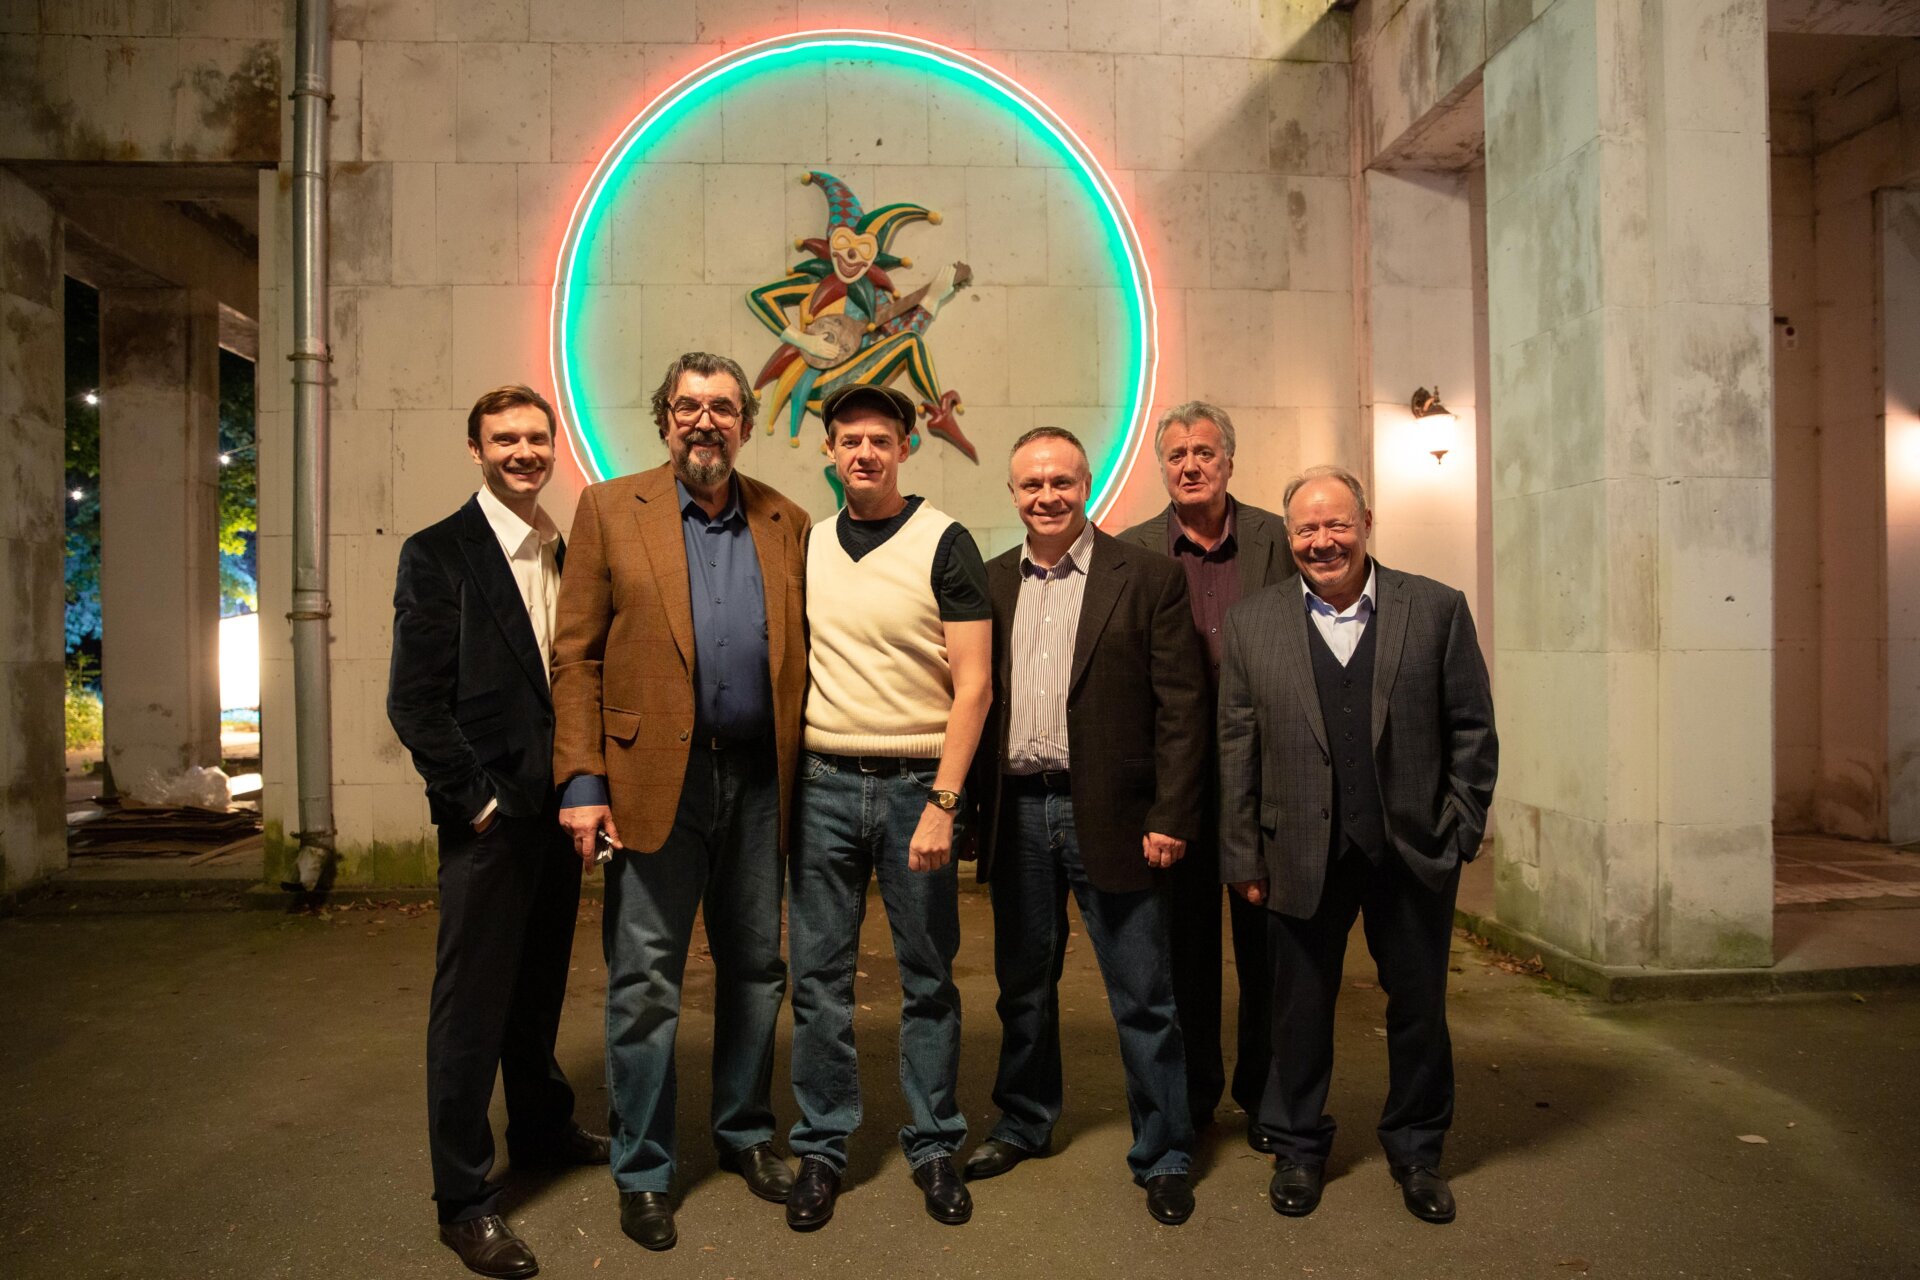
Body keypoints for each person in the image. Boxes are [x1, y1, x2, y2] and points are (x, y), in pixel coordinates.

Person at [550, 352, 811, 1252]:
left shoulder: (786, 519)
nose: (706, 421)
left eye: (724, 408)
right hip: (650, 782)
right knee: (645, 982)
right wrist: (583, 782)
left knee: (755, 969)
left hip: (759, 780)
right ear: (664, 418)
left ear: (747, 423)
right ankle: (645, 1169)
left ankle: (744, 1133)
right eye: (689, 406)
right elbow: (576, 656)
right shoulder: (607, 509)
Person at [1218, 464, 1497, 1225]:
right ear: (1289, 536)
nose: (1322, 541)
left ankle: (1417, 1149)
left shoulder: (1435, 609)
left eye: (1337, 524)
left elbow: (1472, 728)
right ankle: (1297, 1147)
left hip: (1412, 852)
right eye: (1306, 528)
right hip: (1296, 853)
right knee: (1297, 1011)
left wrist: (1461, 827)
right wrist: (1241, 854)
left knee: (1419, 1008)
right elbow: (1236, 746)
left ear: (1366, 523)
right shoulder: (1253, 623)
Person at [388, 384, 609, 1280]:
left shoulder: (561, 546)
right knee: (470, 1013)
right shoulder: (438, 552)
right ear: (476, 450)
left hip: (558, 812)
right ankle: (464, 1199)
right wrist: (474, 803)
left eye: (535, 437)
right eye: (504, 438)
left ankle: (543, 1128)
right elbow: (414, 701)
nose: (523, 451)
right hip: (490, 822)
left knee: (537, 990)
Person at [964, 426, 1209, 1226]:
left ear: (1087, 484)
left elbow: (1182, 707)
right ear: (1013, 493)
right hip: (1018, 813)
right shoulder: (990, 582)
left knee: (1144, 995)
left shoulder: (1147, 577)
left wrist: (1172, 812)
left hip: (1117, 817)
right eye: (1032, 484)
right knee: (1023, 990)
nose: (1047, 496)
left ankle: (1165, 1151)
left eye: (1062, 482)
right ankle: (1024, 1122)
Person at [783, 383, 993, 1232]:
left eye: (880, 439)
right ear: (829, 452)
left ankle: (934, 1142)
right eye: (849, 440)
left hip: (916, 789)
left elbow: (975, 686)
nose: (864, 452)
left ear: (906, 447)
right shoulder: (808, 544)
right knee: (819, 982)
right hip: (824, 786)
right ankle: (822, 1147)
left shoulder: (946, 541)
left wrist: (945, 803)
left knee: (928, 977)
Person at [1117, 400, 1290, 1145]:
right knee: (1183, 952)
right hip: (1176, 782)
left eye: (1205, 452)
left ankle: (1267, 1099)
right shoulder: (1130, 550)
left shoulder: (1280, 541)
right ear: (1162, 465)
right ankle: (1192, 1098)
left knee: (1269, 951)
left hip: (1268, 779)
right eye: (1177, 454)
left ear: (1229, 462)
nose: (1190, 465)